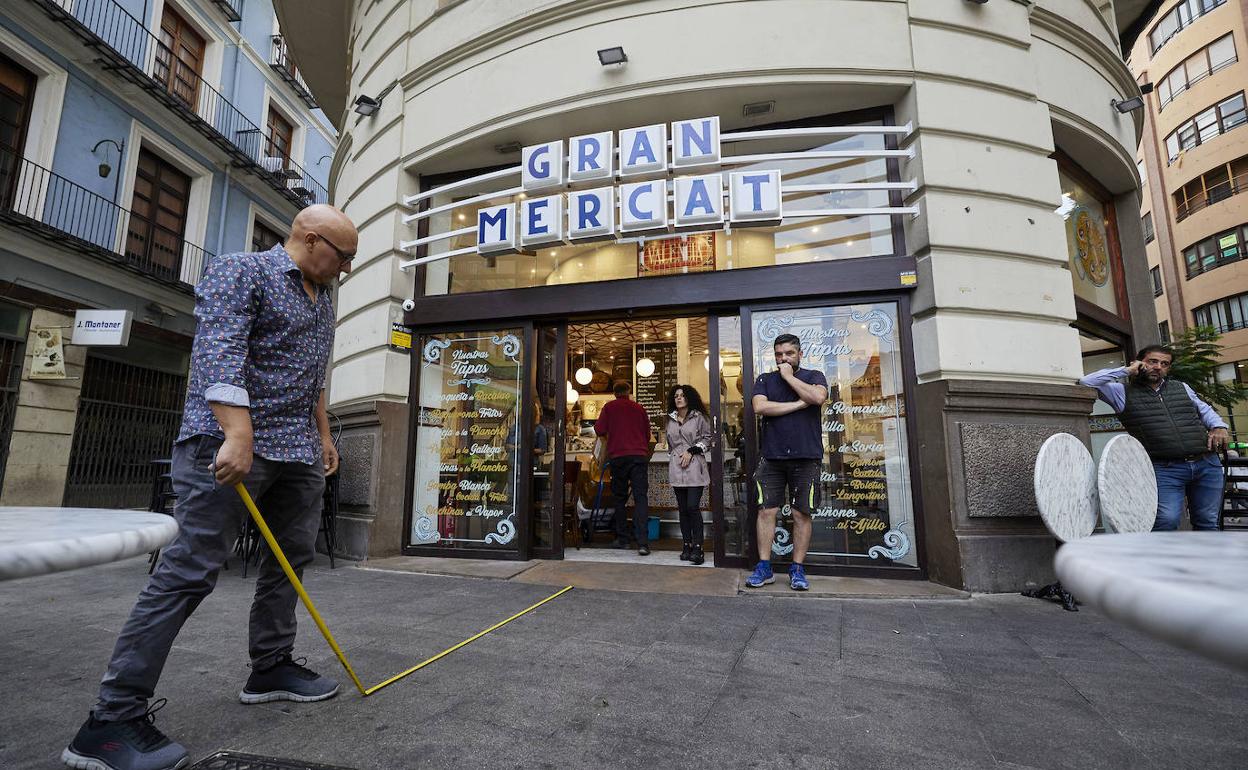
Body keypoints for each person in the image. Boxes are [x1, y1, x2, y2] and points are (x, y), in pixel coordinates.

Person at [64, 205, 358, 770]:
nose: (346, 267)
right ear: (311, 238)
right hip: (227, 442)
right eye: (342, 255)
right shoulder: (239, 271)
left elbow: (313, 375)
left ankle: (270, 666)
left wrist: (323, 435)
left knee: (292, 557)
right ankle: (109, 720)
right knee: (191, 569)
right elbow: (218, 353)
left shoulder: (323, 301)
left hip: (295, 446)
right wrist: (238, 432)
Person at [1080, 344, 1229, 531]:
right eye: (1153, 361)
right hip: (1165, 469)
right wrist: (1126, 370)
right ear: (1140, 362)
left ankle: (1207, 560)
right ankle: (1163, 560)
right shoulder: (1121, 392)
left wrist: (1219, 426)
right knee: (1166, 521)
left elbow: (1204, 409)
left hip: (1206, 463)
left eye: (1164, 364)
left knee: (1207, 521)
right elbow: (1086, 381)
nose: (1158, 366)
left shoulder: (1181, 387)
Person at [746, 333, 828, 591]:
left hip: (806, 457)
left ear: (799, 354)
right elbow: (760, 407)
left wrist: (789, 378)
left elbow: (818, 398)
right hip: (772, 457)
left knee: (801, 513)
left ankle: (797, 568)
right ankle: (764, 566)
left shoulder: (814, 376)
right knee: (766, 511)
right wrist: (797, 405)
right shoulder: (764, 379)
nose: (783, 358)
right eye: (779, 354)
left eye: (789, 354)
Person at [594, 381, 654, 555]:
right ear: (629, 392)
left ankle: (623, 540)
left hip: (618, 458)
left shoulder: (609, 407)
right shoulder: (639, 408)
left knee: (619, 499)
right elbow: (647, 434)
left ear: (614, 393)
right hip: (638, 458)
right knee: (641, 498)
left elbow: (599, 429)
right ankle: (643, 543)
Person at [665, 385, 714, 565]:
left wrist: (692, 450)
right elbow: (670, 444)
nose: (679, 398)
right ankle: (686, 545)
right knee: (683, 509)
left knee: (693, 507)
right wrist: (674, 457)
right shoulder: (670, 419)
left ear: (689, 398)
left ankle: (698, 547)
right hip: (677, 468)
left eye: (683, 396)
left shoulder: (699, 417)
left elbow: (708, 439)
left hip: (694, 467)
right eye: (676, 395)